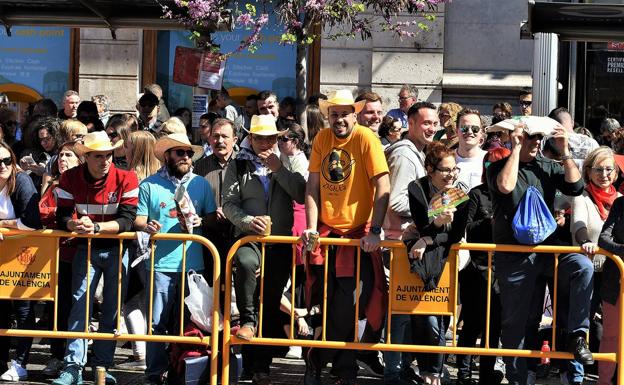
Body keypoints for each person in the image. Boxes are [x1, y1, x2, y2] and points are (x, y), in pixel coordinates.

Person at [486, 122, 593, 385]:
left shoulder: (549, 166)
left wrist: (564, 149)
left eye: (539, 138)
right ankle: (517, 377)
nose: (536, 142)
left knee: (583, 266)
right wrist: (516, 147)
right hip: (514, 255)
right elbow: (506, 187)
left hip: (549, 250)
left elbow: (576, 187)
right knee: (518, 321)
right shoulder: (499, 167)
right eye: (530, 137)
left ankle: (578, 335)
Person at [302, 89, 390, 385]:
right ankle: (338, 369)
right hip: (327, 235)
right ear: (328, 116)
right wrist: (312, 227)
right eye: (334, 114)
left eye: (344, 114)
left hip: (358, 236)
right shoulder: (321, 139)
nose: (339, 119)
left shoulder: (366, 138)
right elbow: (313, 187)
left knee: (350, 304)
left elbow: (383, 186)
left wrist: (376, 230)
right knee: (323, 301)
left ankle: (319, 359)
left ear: (355, 114)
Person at [222, 114, 306, 384]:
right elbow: (229, 204)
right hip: (249, 239)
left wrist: (279, 169)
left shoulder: (290, 159)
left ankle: (260, 366)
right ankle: (247, 321)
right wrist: (248, 222)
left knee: (270, 303)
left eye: (270, 137)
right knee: (245, 266)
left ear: (278, 138)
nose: (265, 142)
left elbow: (302, 194)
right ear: (251, 138)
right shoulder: (238, 164)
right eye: (259, 137)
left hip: (280, 241)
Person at [52, 131, 139, 385]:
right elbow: (62, 215)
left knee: (111, 310)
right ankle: (73, 367)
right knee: (80, 305)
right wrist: (72, 224)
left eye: (109, 155)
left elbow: (127, 219)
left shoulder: (127, 177)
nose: (105, 161)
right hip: (85, 249)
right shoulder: (69, 178)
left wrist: (97, 228)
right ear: (86, 157)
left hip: (117, 249)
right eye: (99, 156)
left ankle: (102, 365)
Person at [136, 132, 216, 385]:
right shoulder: (149, 184)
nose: (185, 157)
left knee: (189, 323)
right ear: (167, 155)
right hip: (159, 264)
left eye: (189, 153)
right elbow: (137, 218)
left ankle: (182, 372)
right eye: (180, 152)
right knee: (157, 325)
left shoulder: (201, 184)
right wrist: (148, 225)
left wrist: (201, 220)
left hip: (193, 265)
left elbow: (212, 217)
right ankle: (154, 374)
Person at [405, 141, 468, 385]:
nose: (451, 175)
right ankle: (426, 370)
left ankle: (436, 372)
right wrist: (436, 226)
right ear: (430, 169)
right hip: (424, 262)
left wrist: (431, 237)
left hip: (449, 260)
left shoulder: (461, 192)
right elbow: (421, 225)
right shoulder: (417, 188)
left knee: (440, 319)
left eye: (454, 169)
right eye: (445, 170)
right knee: (423, 317)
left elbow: (456, 235)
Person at [454, 147, 510, 385]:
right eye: (489, 166)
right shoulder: (477, 194)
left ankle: (487, 373)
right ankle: (463, 374)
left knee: (494, 325)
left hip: (503, 268)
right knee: (472, 323)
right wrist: (489, 222)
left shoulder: (511, 195)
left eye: (498, 166)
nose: (493, 171)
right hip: (476, 268)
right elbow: (467, 227)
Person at [569, 147, 619, 385]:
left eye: (609, 169)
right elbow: (578, 225)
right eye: (598, 169)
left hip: (612, 273)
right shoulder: (581, 197)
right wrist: (586, 241)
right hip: (586, 270)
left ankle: (607, 378)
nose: (604, 174)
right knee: (581, 324)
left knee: (611, 331)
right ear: (588, 171)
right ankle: (575, 375)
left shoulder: (620, 201)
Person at [38, 141, 83, 378]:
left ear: (79, 160)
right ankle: (57, 356)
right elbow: (41, 213)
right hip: (53, 255)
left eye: (68, 155)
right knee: (56, 308)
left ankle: (75, 359)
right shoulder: (53, 185)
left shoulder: (82, 184)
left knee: (77, 307)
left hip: (78, 254)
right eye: (60, 155)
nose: (63, 158)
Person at [0, 142, 42, 382]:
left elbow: (32, 221)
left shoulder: (21, 180)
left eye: (8, 160)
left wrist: (4, 225)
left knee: (23, 308)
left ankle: (21, 362)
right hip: (2, 254)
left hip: (25, 253)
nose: (4, 166)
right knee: (0, 309)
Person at [194, 118, 239, 274]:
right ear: (209, 138)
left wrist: (230, 211)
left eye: (224, 136)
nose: (219, 141)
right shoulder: (199, 167)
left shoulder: (244, 164)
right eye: (215, 136)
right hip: (208, 238)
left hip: (239, 236)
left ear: (234, 140)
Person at [597, 184, 624, 385]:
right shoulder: (620, 203)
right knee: (611, 335)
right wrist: (622, 249)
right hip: (615, 280)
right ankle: (604, 381)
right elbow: (603, 238)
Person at [455, 108, 487, 190]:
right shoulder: (447, 159)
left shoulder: (490, 159)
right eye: (464, 128)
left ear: (481, 133)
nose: (469, 132)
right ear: (456, 131)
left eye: (475, 129)